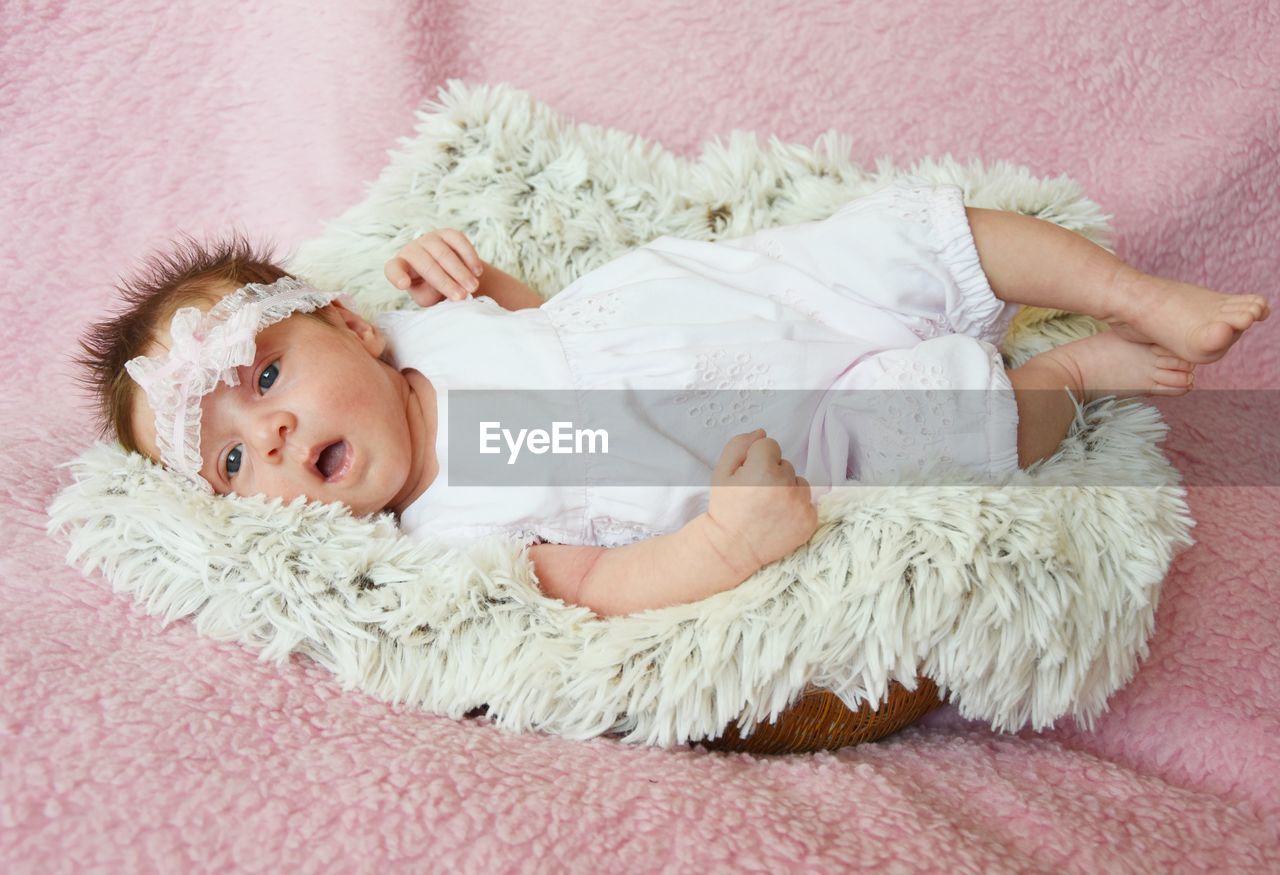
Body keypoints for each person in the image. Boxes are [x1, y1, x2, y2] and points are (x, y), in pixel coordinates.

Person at [78, 180, 1269, 617]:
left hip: (728, 299)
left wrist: (475, 275)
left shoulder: (419, 327)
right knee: (949, 425)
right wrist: (720, 542)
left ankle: (1137, 291)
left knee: (908, 233)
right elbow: (601, 584)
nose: (274, 432)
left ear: (344, 320)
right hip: (791, 428)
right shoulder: (447, 540)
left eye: (268, 377)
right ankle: (1063, 374)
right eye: (233, 462)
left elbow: (538, 325)